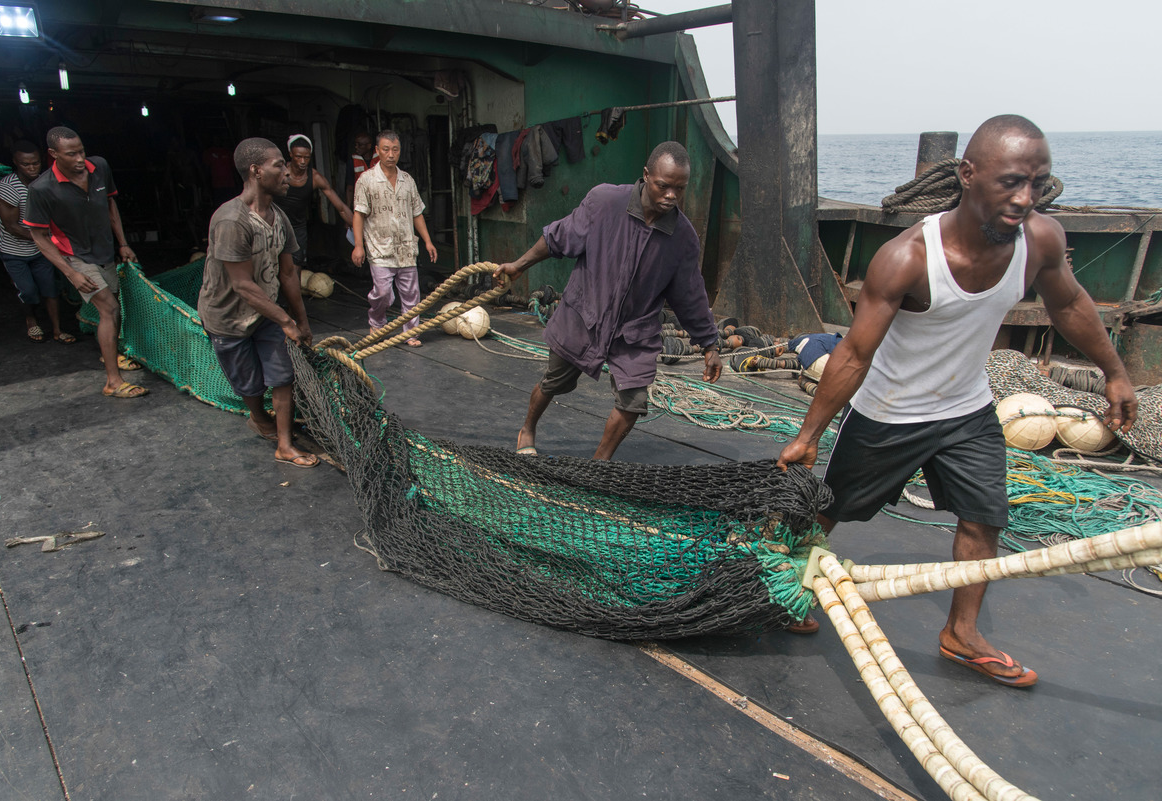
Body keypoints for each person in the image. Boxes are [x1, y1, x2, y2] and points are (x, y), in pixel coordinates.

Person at [776, 115, 1138, 687]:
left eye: (1038, 184)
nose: (1025, 199)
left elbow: (1069, 304)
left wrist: (1115, 373)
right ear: (969, 175)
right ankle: (785, 589)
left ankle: (961, 634)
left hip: (967, 410)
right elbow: (853, 354)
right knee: (829, 507)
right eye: (1011, 182)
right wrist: (809, 434)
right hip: (889, 411)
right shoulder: (908, 258)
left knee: (984, 516)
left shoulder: (1040, 240)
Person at [494, 141, 723, 460]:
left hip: (634, 331)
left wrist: (710, 345)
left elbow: (691, 295)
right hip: (583, 316)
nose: (671, 196)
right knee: (554, 382)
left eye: (679, 189)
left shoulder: (683, 238)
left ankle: (599, 463)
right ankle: (527, 428)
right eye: (663, 186)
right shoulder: (604, 201)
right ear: (646, 176)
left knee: (633, 402)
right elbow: (557, 237)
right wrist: (518, 265)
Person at [197, 137, 318, 469]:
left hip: (266, 312)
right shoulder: (231, 220)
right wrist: (285, 321)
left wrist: (301, 320)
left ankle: (284, 444)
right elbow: (242, 285)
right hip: (228, 317)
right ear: (255, 170)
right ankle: (258, 416)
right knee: (248, 382)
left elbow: (289, 272)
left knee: (282, 374)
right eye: (279, 165)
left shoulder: (279, 218)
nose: (287, 173)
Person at [23, 126, 145, 399]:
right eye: (71, 154)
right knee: (109, 309)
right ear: (53, 154)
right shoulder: (41, 189)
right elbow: (39, 237)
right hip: (74, 256)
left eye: (81, 151)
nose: (80, 158)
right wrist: (70, 273)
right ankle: (113, 382)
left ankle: (112, 354)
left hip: (104, 251)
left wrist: (123, 243)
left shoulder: (99, 166)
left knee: (115, 306)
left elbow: (111, 206)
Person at [350, 130, 438, 347]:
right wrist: (358, 246)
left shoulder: (407, 180)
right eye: (386, 149)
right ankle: (377, 324)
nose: (391, 154)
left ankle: (411, 333)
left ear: (400, 151)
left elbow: (417, 213)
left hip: (406, 248)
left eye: (395, 149)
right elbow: (359, 214)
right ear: (377, 151)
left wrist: (427, 241)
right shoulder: (366, 180)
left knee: (411, 295)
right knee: (383, 294)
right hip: (379, 249)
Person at [0, 140, 73, 344]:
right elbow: (11, 226)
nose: (31, 168)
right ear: (16, 163)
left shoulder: (46, 183)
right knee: (28, 290)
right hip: (13, 249)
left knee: (50, 288)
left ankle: (57, 329)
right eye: (26, 164)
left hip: (40, 248)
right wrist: (46, 239)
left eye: (35, 163)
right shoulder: (7, 188)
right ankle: (31, 319)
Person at [274, 134, 352, 268]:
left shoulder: (315, 177)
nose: (303, 161)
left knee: (295, 267)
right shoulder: (278, 174)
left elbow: (340, 207)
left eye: (307, 157)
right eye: (298, 157)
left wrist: (359, 229)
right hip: (276, 225)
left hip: (298, 228)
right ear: (290, 154)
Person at [344, 131, 377, 212]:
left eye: (360, 145)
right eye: (355, 144)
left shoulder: (380, 158)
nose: (356, 147)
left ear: (369, 146)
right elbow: (350, 188)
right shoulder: (353, 161)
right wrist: (349, 210)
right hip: (362, 202)